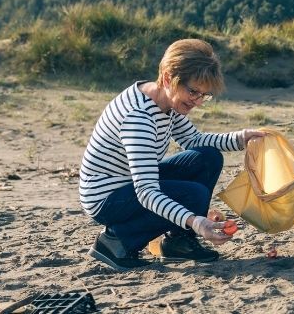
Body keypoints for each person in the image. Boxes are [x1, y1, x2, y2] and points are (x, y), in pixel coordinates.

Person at [79, 39, 265, 271]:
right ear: (168, 78)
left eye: (204, 95)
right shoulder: (139, 118)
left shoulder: (164, 101)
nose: (197, 101)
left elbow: (193, 140)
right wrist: (197, 222)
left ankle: (178, 243)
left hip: (130, 183)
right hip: (106, 198)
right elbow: (147, 192)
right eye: (193, 92)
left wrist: (243, 138)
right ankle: (117, 241)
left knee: (208, 158)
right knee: (192, 195)